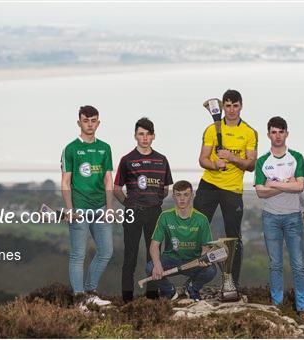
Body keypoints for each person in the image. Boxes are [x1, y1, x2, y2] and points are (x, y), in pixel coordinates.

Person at [194, 89, 258, 287]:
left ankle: (231, 282)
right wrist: (215, 165)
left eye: (235, 105)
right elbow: (203, 159)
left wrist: (232, 158)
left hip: (232, 190)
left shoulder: (248, 132)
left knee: (233, 237)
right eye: (227, 106)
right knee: (195, 230)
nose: (231, 110)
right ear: (223, 106)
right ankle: (195, 281)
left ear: (241, 106)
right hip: (209, 185)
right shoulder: (212, 129)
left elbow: (251, 165)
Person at [114, 117, 173, 303]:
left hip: (154, 212)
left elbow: (166, 189)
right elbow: (116, 189)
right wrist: (129, 204)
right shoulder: (127, 160)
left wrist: (155, 200)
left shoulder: (162, 160)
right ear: (135, 136)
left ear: (153, 136)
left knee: (153, 255)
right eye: (141, 134)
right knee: (130, 256)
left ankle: (152, 296)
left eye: (148, 134)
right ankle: (127, 298)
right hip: (133, 212)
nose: (145, 138)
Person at [60, 105, 114, 306]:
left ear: (98, 123)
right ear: (79, 122)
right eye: (85, 120)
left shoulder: (105, 148)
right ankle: (79, 298)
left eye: (93, 121)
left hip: (100, 207)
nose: (89, 124)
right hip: (79, 208)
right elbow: (65, 182)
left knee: (106, 251)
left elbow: (109, 179)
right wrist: (70, 209)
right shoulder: (71, 149)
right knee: (78, 255)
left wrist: (109, 207)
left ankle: (90, 292)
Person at [254, 116, 304, 316]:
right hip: (270, 217)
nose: (277, 136)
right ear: (268, 134)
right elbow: (260, 192)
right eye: (274, 132)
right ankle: (277, 305)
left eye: (281, 131)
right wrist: (287, 184)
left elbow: (300, 186)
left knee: (298, 264)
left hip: (293, 216)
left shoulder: (296, 158)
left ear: (287, 133)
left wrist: (273, 184)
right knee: (275, 264)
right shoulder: (262, 161)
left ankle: (301, 307)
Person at [146, 180, 217, 301]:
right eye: (178, 195)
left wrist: (203, 258)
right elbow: (154, 246)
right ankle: (170, 291)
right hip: (171, 259)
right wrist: (157, 265)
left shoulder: (201, 219)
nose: (182, 199)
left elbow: (205, 248)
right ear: (173, 196)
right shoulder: (165, 216)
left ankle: (192, 288)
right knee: (150, 267)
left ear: (192, 195)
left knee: (210, 270)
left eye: (186, 194)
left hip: (193, 261)